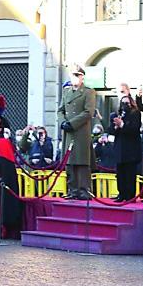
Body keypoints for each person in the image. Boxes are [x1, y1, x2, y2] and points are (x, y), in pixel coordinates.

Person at [59, 65, 95, 200]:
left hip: (80, 131)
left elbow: (88, 112)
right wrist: (63, 122)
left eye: (76, 75)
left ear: (82, 77)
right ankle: (72, 190)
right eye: (72, 75)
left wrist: (72, 123)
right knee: (70, 162)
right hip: (68, 132)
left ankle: (84, 190)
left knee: (82, 161)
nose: (74, 78)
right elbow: (60, 109)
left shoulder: (88, 92)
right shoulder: (66, 92)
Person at [107, 84, 142, 202]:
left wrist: (122, 125)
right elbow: (110, 130)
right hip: (120, 148)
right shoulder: (116, 114)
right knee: (120, 173)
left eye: (127, 103)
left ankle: (130, 196)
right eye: (123, 103)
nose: (125, 105)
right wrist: (115, 127)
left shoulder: (135, 113)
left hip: (131, 149)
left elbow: (134, 129)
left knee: (130, 174)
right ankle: (121, 194)